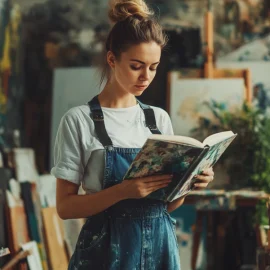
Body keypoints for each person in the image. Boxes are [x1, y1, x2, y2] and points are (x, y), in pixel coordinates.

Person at [51, 0, 214, 269]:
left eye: (153, 67)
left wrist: (189, 184)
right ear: (112, 59)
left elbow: (165, 207)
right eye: (136, 66)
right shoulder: (78, 121)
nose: (146, 77)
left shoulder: (158, 119)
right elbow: (65, 208)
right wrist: (122, 192)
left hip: (160, 247)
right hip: (105, 250)